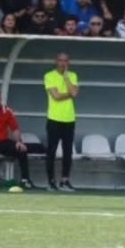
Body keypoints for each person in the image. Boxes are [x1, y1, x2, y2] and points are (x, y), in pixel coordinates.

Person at [44, 52, 80, 191]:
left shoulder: (72, 76)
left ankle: (65, 181)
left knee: (67, 152)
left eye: (65, 61)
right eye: (60, 60)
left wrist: (66, 79)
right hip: (54, 118)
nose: (62, 63)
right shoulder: (49, 76)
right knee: (51, 151)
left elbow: (75, 93)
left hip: (69, 119)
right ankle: (51, 181)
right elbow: (56, 96)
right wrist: (69, 94)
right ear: (56, 61)